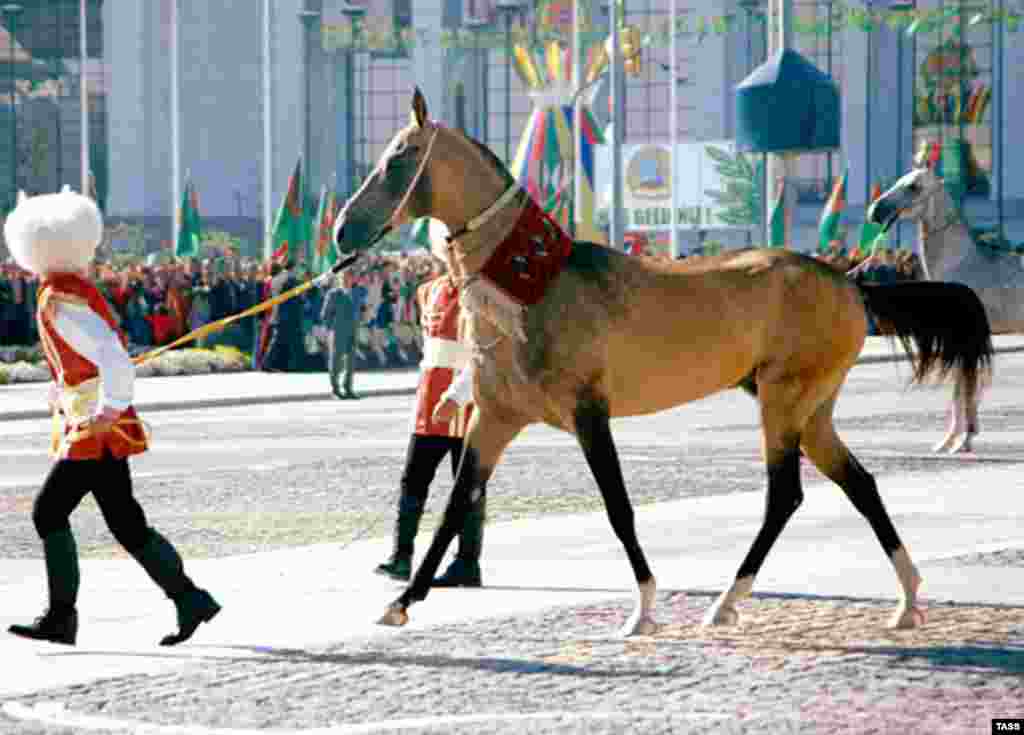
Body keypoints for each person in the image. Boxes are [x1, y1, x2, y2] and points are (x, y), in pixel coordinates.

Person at [4, 187, 220, 646]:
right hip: (93, 423)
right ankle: (190, 599)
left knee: (50, 512)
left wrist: (107, 410)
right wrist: (63, 389)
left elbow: (113, 359)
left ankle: (63, 616)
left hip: (94, 429)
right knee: (125, 522)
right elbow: (89, 358)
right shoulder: (70, 293)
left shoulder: (58, 299)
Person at [374, 255, 484, 588]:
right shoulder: (427, 291)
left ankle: (467, 562)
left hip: (468, 405)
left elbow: (483, 352)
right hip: (428, 402)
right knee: (413, 481)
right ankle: (402, 556)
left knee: (468, 489)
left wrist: (456, 395)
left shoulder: (482, 294)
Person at [320, 270, 360, 399]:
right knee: (336, 361)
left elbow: (359, 310)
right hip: (337, 331)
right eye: (344, 277)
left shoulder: (355, 293)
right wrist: (331, 329)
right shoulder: (333, 294)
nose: (347, 279)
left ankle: (348, 388)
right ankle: (335, 389)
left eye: (350, 276)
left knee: (350, 362)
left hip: (352, 330)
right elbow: (325, 314)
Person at [262, 259, 303, 372]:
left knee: (280, 340)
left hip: (279, 312)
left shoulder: (278, 278)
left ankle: (278, 364)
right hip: (283, 313)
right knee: (278, 339)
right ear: (293, 268)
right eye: (297, 268)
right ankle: (267, 363)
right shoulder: (287, 278)